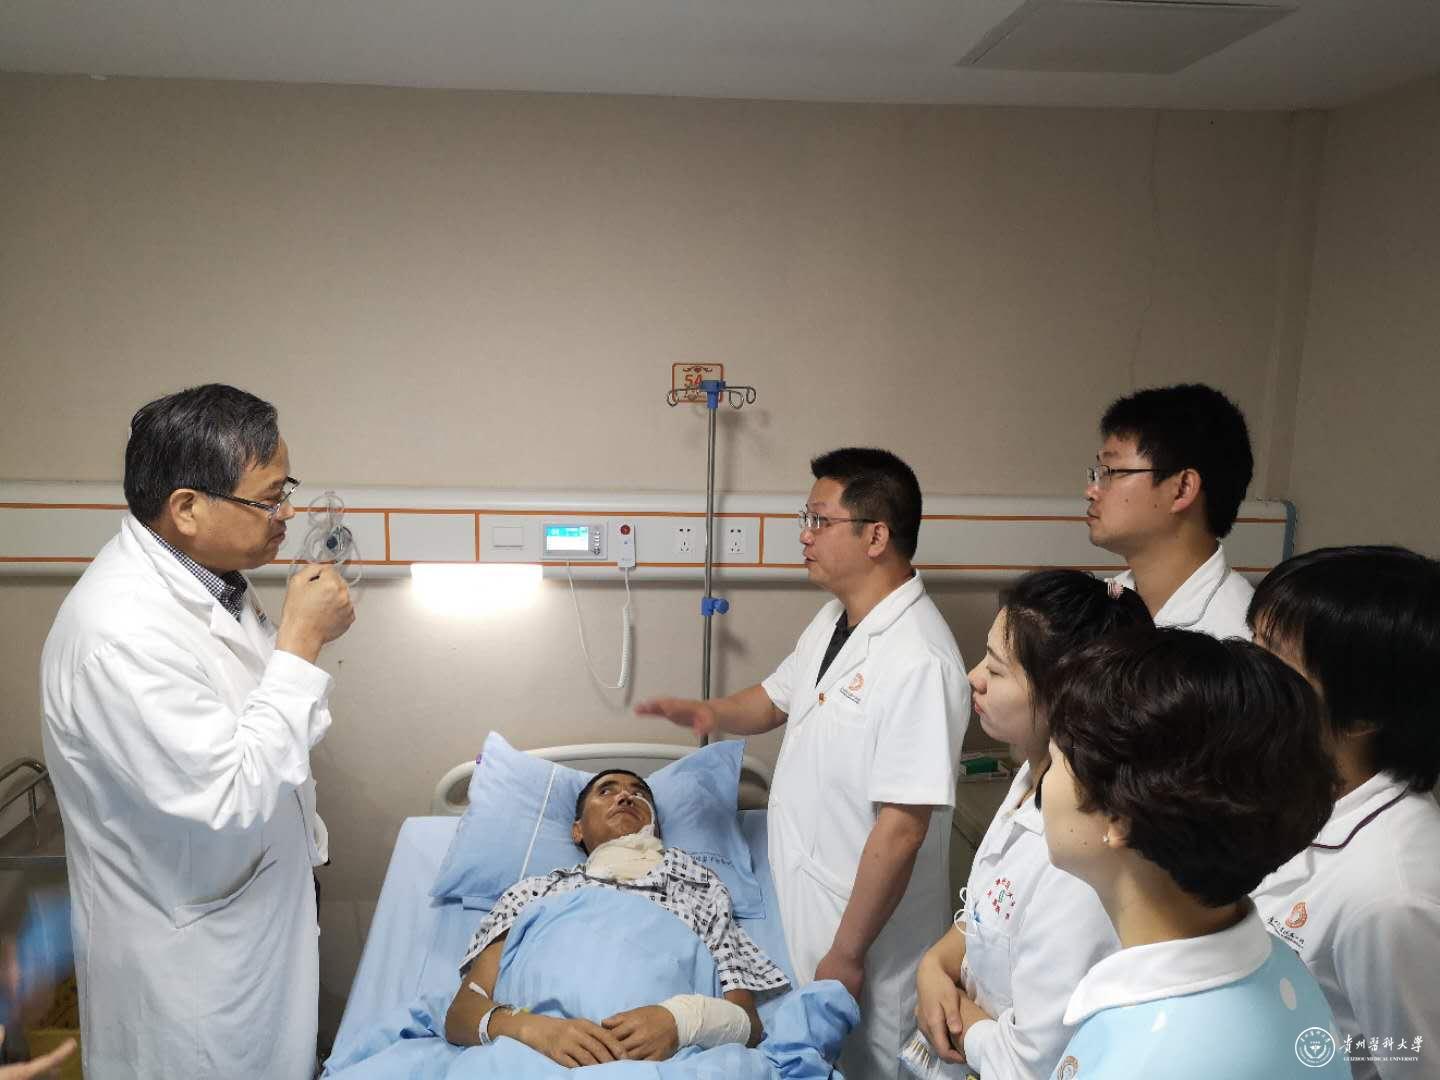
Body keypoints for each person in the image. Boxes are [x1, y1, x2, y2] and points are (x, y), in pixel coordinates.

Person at [40, 384, 355, 1079]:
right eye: (269, 498)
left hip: (249, 921)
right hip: (188, 970)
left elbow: (271, 724)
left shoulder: (216, 582)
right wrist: (301, 644)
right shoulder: (119, 635)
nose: (287, 513)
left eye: (287, 490)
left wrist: (294, 658)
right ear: (186, 508)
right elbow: (228, 794)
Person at [638, 447, 970, 1079]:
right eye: (806, 518)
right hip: (807, 908)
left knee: (873, 1065)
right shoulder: (834, 621)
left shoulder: (920, 662)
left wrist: (847, 952)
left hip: (868, 940)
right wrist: (706, 712)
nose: (805, 534)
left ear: (876, 536)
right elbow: (773, 699)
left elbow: (902, 829)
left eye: (819, 520)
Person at [1040, 630, 1346, 1079]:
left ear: (1120, 817)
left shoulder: (1146, 1064)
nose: (1042, 785)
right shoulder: (1278, 965)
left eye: (1054, 761)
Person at [914, 571, 1151, 1079]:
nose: (974, 677)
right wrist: (935, 965)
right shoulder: (1032, 771)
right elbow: (988, 913)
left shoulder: (1079, 859)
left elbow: (1034, 1062)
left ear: (1064, 695)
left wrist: (958, 1019)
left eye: (996, 670)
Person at [444, 769, 789, 1067]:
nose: (625, 796)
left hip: (665, 1064)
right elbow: (462, 1013)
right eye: (606, 791)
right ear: (577, 831)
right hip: (529, 1058)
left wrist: (680, 1021)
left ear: (655, 827)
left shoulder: (699, 888)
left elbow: (748, 1025)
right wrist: (533, 1029)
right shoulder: (534, 892)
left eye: (638, 793)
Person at [1249, 546, 1440, 1080]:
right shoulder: (1294, 794)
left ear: (1361, 714)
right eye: (1252, 644)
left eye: (1271, 661)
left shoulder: (1393, 898)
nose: (1244, 678)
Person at [1085, 383, 1255, 639]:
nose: (1091, 491)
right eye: (1097, 472)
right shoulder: (1105, 601)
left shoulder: (1239, 635)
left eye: (1111, 471)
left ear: (1182, 489)